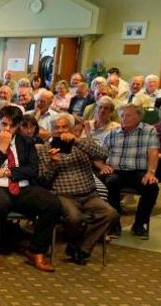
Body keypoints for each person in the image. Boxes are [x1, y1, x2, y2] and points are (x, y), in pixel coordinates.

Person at [0, 105, 61, 272]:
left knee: (52, 203)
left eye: (12, 126)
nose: (7, 129)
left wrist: (7, 171)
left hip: (20, 185)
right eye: (4, 124)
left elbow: (32, 170)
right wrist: (2, 148)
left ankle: (36, 250)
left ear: (18, 126)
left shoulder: (26, 142)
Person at [37, 113, 117, 265]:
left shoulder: (82, 144)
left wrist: (77, 141)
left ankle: (81, 248)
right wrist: (53, 164)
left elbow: (103, 154)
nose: (61, 131)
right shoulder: (43, 149)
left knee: (110, 213)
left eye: (64, 127)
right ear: (52, 130)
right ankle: (79, 246)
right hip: (63, 195)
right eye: (57, 127)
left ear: (72, 129)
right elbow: (43, 180)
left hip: (89, 194)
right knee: (74, 218)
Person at [99, 104, 160, 238]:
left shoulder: (149, 130)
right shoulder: (112, 133)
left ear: (139, 116)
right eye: (122, 115)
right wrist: (101, 166)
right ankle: (114, 225)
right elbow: (98, 155)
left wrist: (151, 172)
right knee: (111, 183)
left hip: (138, 171)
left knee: (151, 187)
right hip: (116, 171)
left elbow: (153, 152)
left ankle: (139, 224)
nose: (124, 118)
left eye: (128, 115)